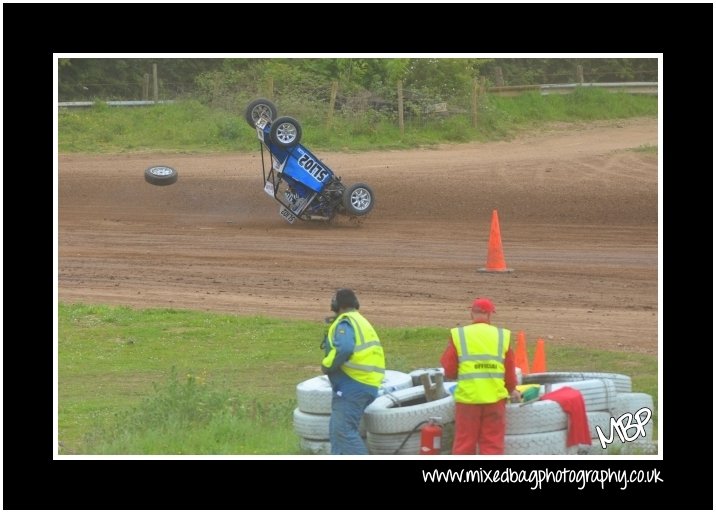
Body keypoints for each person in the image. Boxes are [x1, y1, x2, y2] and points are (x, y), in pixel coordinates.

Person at [440, 297, 521, 455]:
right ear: (490, 315)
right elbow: (509, 370)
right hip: (495, 398)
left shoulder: (459, 335)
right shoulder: (502, 336)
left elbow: (449, 370)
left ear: (472, 313)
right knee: (492, 445)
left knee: (464, 444)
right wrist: (512, 389)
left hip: (468, 399)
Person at [321, 288, 386, 455]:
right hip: (365, 383)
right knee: (338, 432)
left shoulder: (345, 321)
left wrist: (327, 365)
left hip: (353, 384)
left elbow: (345, 348)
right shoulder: (361, 321)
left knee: (344, 432)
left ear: (336, 304)